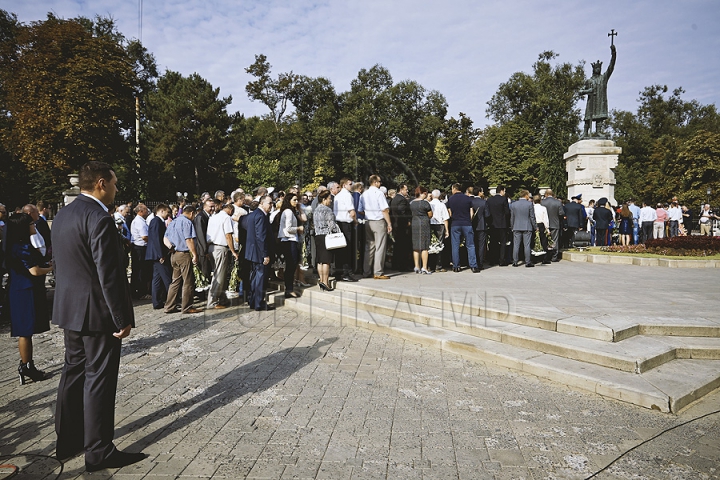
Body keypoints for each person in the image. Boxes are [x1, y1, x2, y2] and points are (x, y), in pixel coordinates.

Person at [52, 161, 146, 471]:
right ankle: (99, 451)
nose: (117, 190)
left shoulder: (63, 215)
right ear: (101, 184)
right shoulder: (98, 218)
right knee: (98, 382)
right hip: (96, 314)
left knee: (73, 374)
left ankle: (67, 441)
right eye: (115, 184)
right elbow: (109, 275)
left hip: (70, 310)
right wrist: (121, 318)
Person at [7, 213, 52, 384]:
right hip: (24, 290)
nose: (34, 226)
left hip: (19, 289)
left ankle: (27, 364)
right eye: (31, 224)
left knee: (26, 331)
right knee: (25, 331)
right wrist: (51, 269)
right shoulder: (22, 247)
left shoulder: (14, 245)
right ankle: (26, 365)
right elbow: (34, 271)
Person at [163, 205, 202, 314]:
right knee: (188, 281)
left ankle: (169, 306)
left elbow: (165, 237)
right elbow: (188, 239)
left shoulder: (173, 222)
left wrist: (170, 247)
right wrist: (194, 254)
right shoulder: (187, 222)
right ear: (192, 213)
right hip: (184, 254)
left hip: (174, 254)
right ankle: (187, 307)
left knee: (175, 281)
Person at [245, 195, 276, 311]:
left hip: (253, 252)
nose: (271, 206)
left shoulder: (253, 215)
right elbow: (261, 237)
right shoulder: (260, 216)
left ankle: (253, 301)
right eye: (269, 203)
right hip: (259, 253)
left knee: (254, 278)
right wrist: (265, 254)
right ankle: (258, 303)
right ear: (262, 203)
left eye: (272, 203)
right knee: (260, 279)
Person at [206, 202, 239, 309]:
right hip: (221, 247)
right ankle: (212, 301)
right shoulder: (226, 218)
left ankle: (222, 298)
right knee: (219, 275)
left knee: (219, 274)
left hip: (211, 247)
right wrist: (233, 251)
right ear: (230, 210)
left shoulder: (213, 217)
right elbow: (228, 235)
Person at [579, 44, 616, 138]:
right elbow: (580, 91)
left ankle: (598, 132)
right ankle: (585, 132)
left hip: (600, 101)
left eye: (599, 68)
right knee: (588, 117)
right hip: (591, 102)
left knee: (599, 116)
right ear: (593, 69)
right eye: (596, 68)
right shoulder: (589, 81)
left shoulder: (603, 78)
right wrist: (588, 90)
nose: (598, 69)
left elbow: (611, 67)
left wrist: (614, 54)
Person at [359, 175, 392, 279]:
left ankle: (366, 271)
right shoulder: (379, 193)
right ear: (376, 182)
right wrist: (389, 223)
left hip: (368, 221)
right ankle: (378, 272)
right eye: (379, 181)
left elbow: (360, 210)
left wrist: (368, 213)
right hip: (378, 221)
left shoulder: (364, 194)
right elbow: (384, 210)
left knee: (369, 246)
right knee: (380, 246)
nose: (380, 183)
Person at [446, 183, 479, 273]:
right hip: (467, 223)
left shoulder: (450, 199)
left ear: (454, 189)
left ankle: (456, 266)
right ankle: (473, 266)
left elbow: (450, 213)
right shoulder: (467, 198)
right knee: (470, 245)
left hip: (455, 223)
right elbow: (471, 212)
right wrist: (469, 220)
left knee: (455, 245)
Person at [145, 204, 172, 309]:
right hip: (158, 254)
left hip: (155, 254)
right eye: (167, 212)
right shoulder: (156, 221)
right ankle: (171, 301)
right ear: (162, 211)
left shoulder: (156, 221)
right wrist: (161, 254)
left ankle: (157, 302)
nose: (168, 215)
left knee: (157, 279)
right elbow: (156, 239)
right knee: (167, 278)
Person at [277, 193, 304, 298]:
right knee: (290, 266)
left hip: (291, 240)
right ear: (289, 201)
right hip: (288, 240)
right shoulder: (288, 212)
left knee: (292, 265)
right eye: (294, 200)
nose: (296, 202)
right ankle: (289, 289)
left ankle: (289, 288)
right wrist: (298, 229)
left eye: (297, 200)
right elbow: (288, 228)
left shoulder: (290, 211)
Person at [333, 178, 357, 281]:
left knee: (340, 249)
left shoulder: (338, 196)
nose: (352, 186)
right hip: (346, 223)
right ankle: (346, 272)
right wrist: (355, 221)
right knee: (347, 249)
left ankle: (339, 272)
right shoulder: (347, 195)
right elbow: (351, 211)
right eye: (350, 184)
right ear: (344, 185)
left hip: (338, 223)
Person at [312, 190, 336, 291]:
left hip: (318, 235)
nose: (330, 201)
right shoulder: (328, 210)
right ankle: (325, 282)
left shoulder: (316, 210)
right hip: (326, 236)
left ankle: (321, 280)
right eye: (329, 199)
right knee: (326, 260)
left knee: (320, 260)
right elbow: (331, 226)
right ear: (324, 199)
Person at [510, 190, 537, 267]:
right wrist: (535, 226)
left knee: (516, 245)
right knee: (527, 245)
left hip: (516, 226)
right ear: (526, 195)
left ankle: (515, 261)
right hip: (527, 226)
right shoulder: (529, 204)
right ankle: (527, 262)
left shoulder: (514, 204)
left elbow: (512, 217)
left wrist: (512, 226)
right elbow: (532, 217)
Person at [409, 186, 433, 274]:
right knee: (424, 246)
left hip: (414, 223)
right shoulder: (425, 203)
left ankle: (416, 266)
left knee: (416, 246)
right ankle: (424, 267)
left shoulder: (411, 203)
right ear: (424, 193)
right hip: (424, 224)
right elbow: (430, 214)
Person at [130, 203, 150, 299]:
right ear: (141, 211)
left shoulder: (141, 220)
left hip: (139, 247)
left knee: (140, 270)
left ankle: (138, 290)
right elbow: (144, 237)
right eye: (146, 210)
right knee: (141, 270)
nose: (148, 211)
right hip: (140, 248)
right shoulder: (139, 221)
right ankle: (141, 292)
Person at [390, 183, 412, 272]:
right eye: (406, 190)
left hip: (396, 224)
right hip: (402, 226)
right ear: (401, 190)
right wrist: (407, 221)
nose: (407, 191)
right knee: (403, 246)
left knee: (397, 246)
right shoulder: (402, 200)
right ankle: (402, 265)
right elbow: (401, 212)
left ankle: (395, 264)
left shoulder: (395, 199)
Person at [487, 186, 511, 266]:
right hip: (502, 224)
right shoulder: (504, 199)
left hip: (493, 224)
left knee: (493, 242)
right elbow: (507, 212)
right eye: (504, 191)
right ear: (501, 191)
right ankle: (501, 260)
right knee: (503, 243)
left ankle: (492, 260)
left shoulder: (490, 200)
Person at [428, 189, 450, 272]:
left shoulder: (429, 204)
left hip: (430, 224)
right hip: (440, 225)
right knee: (439, 245)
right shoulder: (442, 205)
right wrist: (447, 230)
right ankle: (438, 265)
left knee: (430, 245)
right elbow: (445, 218)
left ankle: (430, 265)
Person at [541, 189, 564, 261]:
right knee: (554, 240)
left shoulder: (542, 202)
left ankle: (545, 256)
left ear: (546, 194)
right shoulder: (558, 202)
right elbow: (561, 213)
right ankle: (554, 256)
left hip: (544, 224)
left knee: (545, 240)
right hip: (555, 223)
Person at [471, 187, 489, 271]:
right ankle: (480, 263)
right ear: (479, 192)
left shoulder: (470, 201)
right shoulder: (484, 202)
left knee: (472, 244)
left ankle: (473, 262)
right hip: (481, 225)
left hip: (472, 225)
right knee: (481, 245)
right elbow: (487, 215)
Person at [532, 195, 551, 264]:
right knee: (543, 241)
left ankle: (534, 258)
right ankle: (544, 258)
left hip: (533, 225)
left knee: (534, 241)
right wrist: (547, 228)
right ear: (540, 200)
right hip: (541, 224)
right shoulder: (543, 208)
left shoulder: (532, 208)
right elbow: (545, 219)